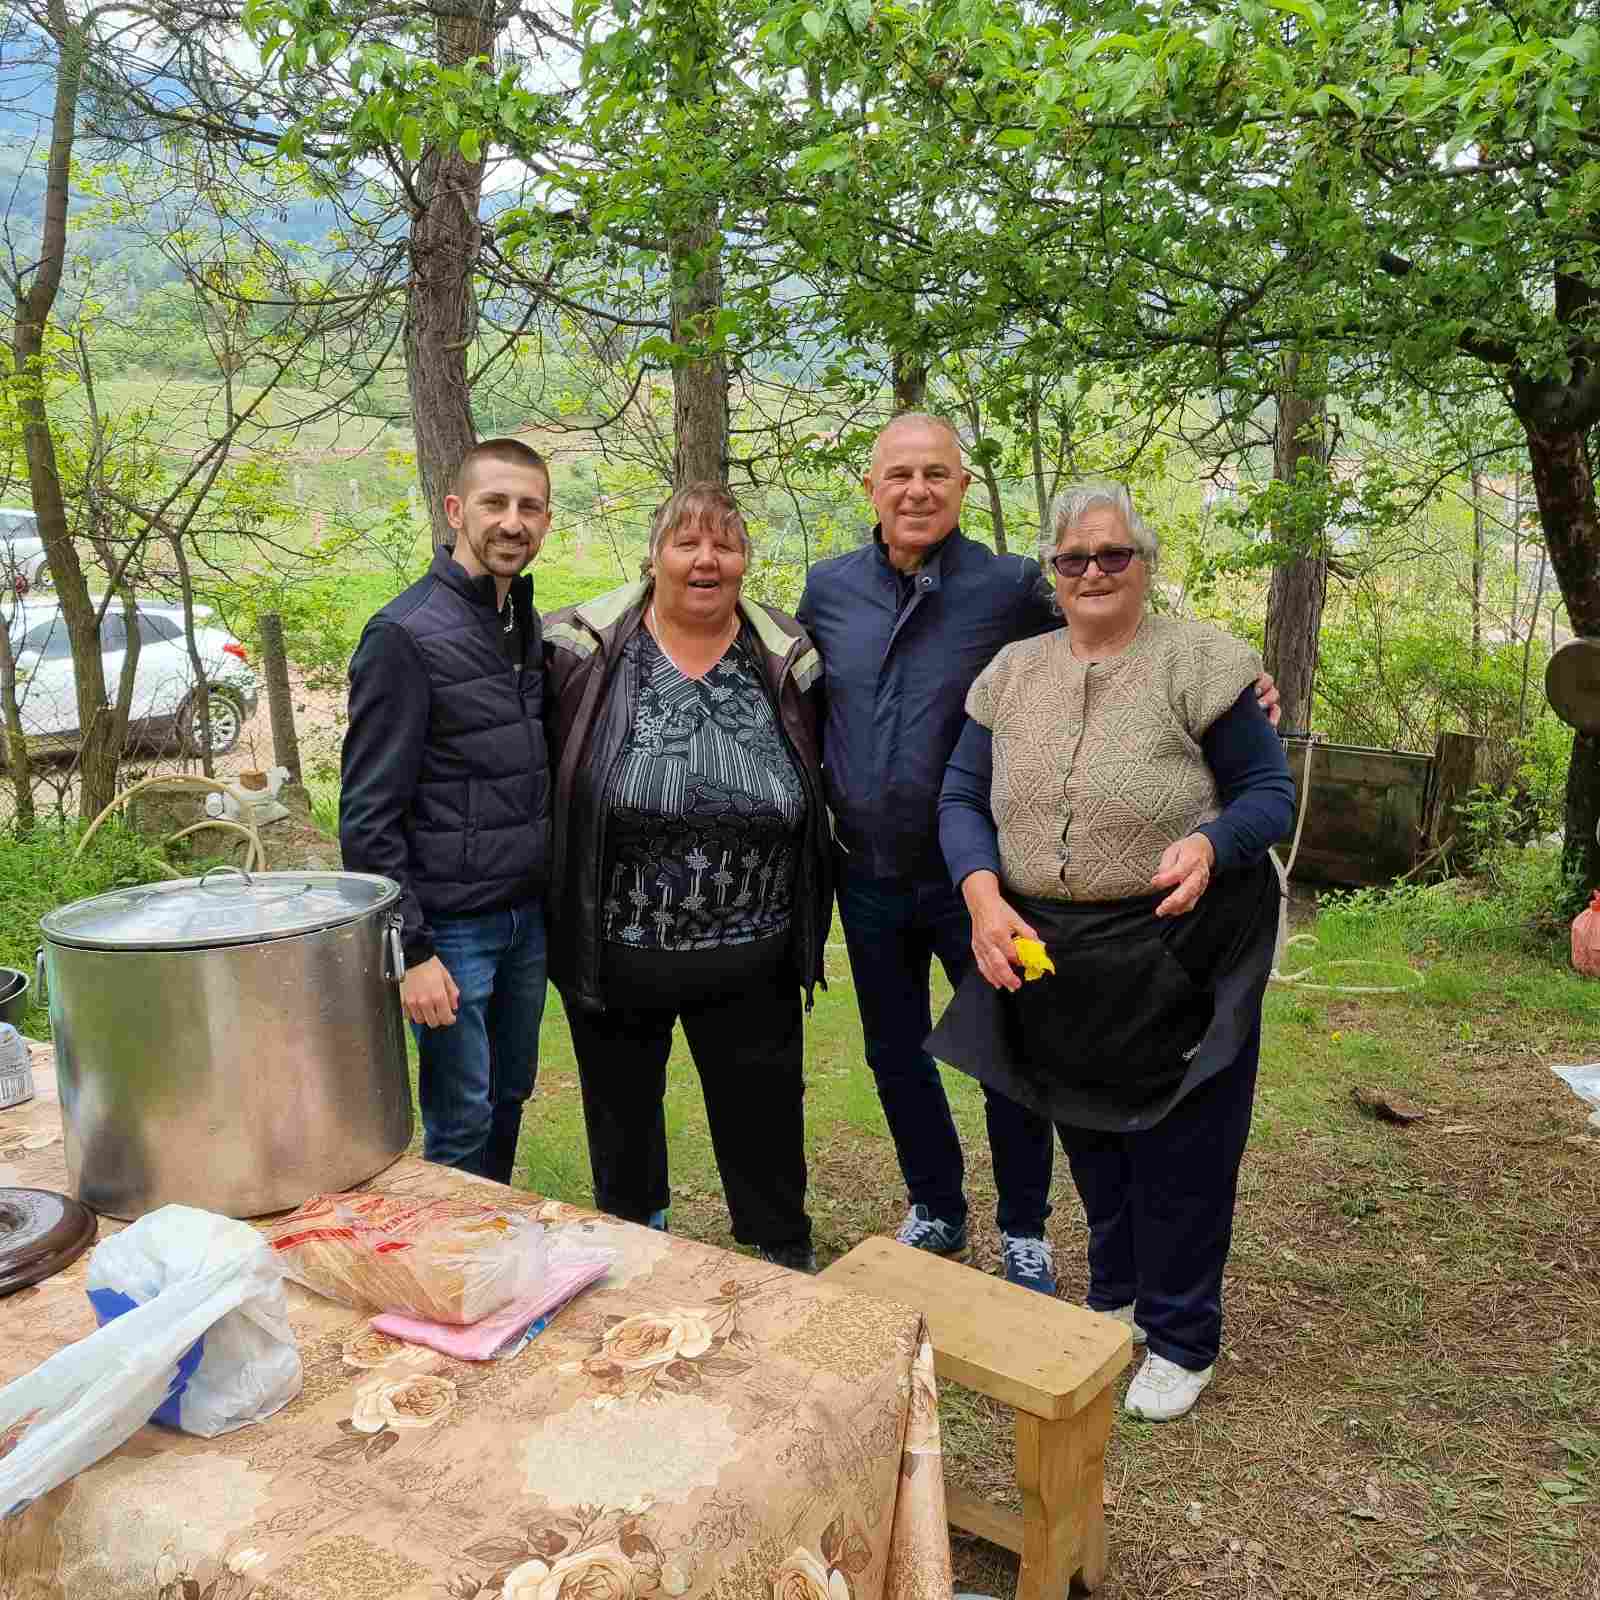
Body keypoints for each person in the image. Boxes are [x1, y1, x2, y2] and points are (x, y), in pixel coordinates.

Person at [797, 416, 1280, 1294]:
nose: (917, 491)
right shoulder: (827, 591)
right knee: (892, 1049)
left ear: (962, 487)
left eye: (936, 474)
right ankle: (936, 1202)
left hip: (987, 881)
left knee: (1015, 1056)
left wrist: (1240, 690)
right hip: (866, 872)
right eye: (899, 474)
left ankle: (1025, 1226)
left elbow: (1115, 621)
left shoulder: (1014, 584)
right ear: (870, 486)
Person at [932, 480, 1296, 1420]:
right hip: (1060, 944)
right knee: (1088, 1122)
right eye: (1073, 559)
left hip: (1181, 933)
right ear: (1051, 574)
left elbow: (1267, 792)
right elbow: (959, 799)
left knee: (1183, 1138)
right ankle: (1121, 1296)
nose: (1093, 572)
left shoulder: (1203, 661)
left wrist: (1214, 843)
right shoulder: (1011, 672)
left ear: (1145, 564)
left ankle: (1182, 1337)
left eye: (1113, 556)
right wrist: (980, 893)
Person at [543, 482, 830, 1272]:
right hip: (618, 946)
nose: (707, 559)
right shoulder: (583, 647)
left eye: (726, 544)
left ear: (745, 558)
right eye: (687, 542)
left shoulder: (786, 652)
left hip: (756, 952)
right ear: (655, 554)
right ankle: (638, 1249)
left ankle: (779, 1247)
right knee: (622, 1112)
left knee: (765, 1111)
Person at [340, 437, 553, 1184]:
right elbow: (368, 816)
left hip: (524, 921)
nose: (512, 521)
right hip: (452, 931)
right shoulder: (403, 634)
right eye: (495, 503)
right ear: (457, 510)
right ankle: (449, 1282)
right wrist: (414, 950)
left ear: (547, 521)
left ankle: (495, 1252)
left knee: (508, 1097)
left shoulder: (523, 623)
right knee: (460, 1122)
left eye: (529, 506)